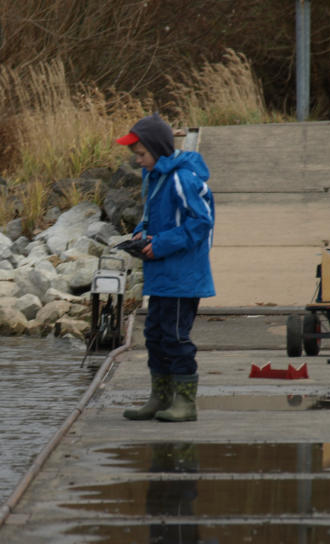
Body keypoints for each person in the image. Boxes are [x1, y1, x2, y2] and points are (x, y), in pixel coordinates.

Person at [116, 113, 215, 422]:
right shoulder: (155, 176)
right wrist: (139, 235)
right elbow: (154, 218)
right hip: (161, 275)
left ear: (157, 150)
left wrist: (158, 245)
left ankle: (186, 403)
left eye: (142, 155)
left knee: (175, 337)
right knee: (155, 335)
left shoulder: (181, 178)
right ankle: (159, 397)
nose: (139, 161)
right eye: (136, 155)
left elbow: (200, 223)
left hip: (182, 276)